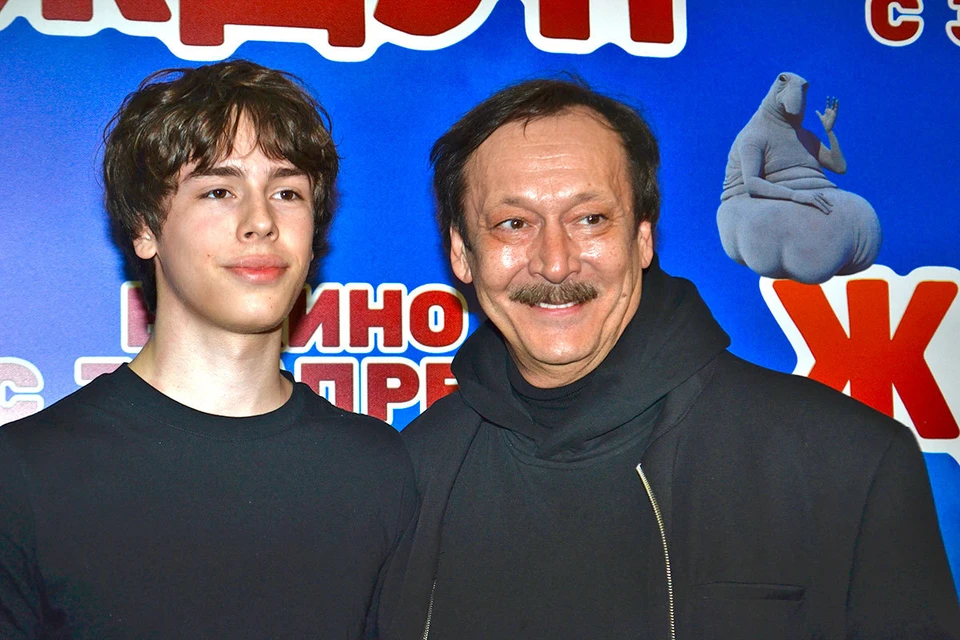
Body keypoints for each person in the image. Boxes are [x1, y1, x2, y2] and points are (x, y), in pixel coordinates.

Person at [384, 78, 960, 639]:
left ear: (642, 239)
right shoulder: (406, 480)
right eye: (513, 224)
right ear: (462, 253)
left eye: (590, 219)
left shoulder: (848, 464)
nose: (555, 263)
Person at [0, 60, 416, 639]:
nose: (260, 222)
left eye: (287, 192)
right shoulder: (24, 475)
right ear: (145, 228)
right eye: (219, 191)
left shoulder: (376, 470)